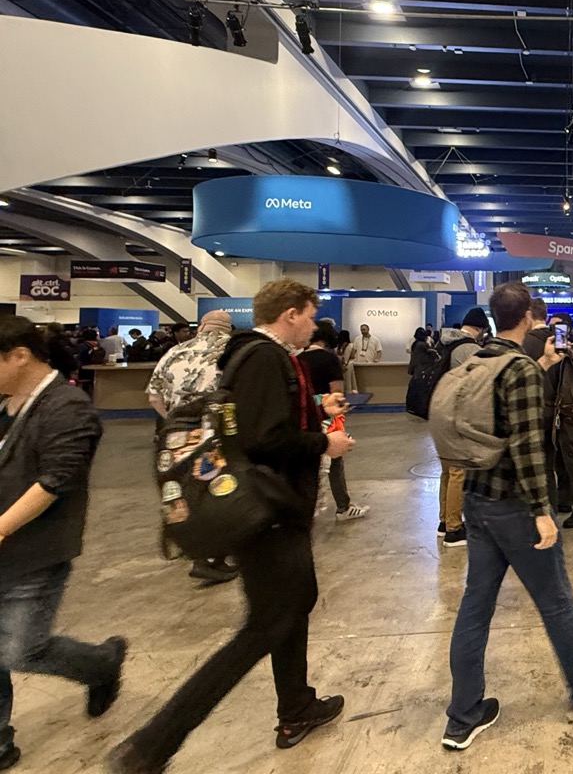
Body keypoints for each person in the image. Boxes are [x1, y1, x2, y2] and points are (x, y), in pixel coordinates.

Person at [111, 280, 354, 772]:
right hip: (269, 509)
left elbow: (250, 420)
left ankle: (297, 707)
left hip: (273, 508)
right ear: (290, 314)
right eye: (309, 315)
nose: (313, 325)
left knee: (292, 607)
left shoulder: (249, 355)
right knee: (265, 625)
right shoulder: (265, 357)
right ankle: (152, 744)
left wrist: (314, 410)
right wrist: (322, 444)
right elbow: (264, 438)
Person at [441, 282, 573, 751]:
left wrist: (542, 365)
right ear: (527, 317)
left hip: (478, 500)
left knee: (475, 607)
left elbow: (496, 418)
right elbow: (526, 446)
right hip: (515, 506)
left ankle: (462, 715)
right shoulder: (518, 369)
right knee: (557, 600)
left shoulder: (478, 360)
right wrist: (542, 511)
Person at [0, 318, 126, 770]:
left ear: (20, 355)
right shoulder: (7, 404)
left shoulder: (67, 406)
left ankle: (101, 663)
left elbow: (56, 479)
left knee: (21, 649)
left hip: (35, 549)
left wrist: (2, 527)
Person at [146, 309, 240, 585]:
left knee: (181, 489)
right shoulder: (234, 352)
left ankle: (185, 541)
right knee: (217, 489)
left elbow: (153, 397)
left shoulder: (174, 352)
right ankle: (210, 557)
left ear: (201, 326)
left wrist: (174, 421)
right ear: (228, 328)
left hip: (175, 433)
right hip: (216, 431)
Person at [525, 311, 573, 528]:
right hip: (556, 411)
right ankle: (565, 500)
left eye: (559, 327)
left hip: (569, 412)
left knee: (572, 457)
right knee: (559, 459)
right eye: (551, 326)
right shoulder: (551, 351)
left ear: (568, 329)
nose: (554, 331)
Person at [435, 309, 492, 547]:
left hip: (439, 412)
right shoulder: (469, 349)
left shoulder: (445, 342)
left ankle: (444, 521)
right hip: (456, 415)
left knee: (448, 470)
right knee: (459, 472)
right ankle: (454, 529)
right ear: (480, 329)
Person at [299, 326, 368, 523]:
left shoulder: (298, 358)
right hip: (326, 411)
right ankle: (343, 506)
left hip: (304, 412)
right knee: (335, 457)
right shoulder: (329, 359)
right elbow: (336, 392)